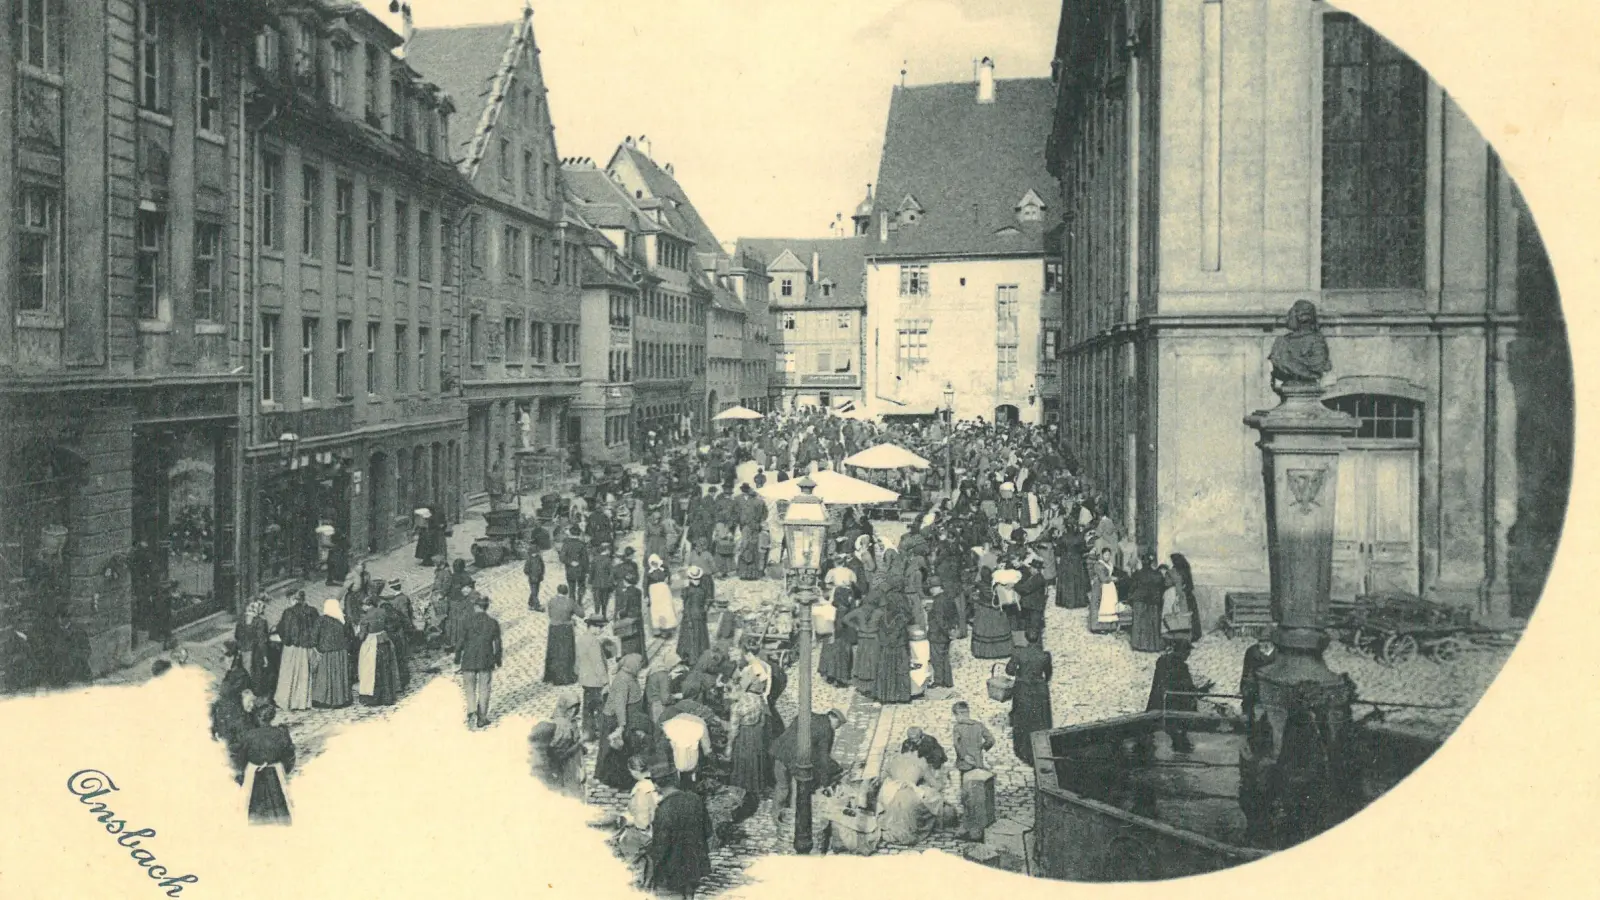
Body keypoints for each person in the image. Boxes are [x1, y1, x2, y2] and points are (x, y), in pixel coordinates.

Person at [769, 709, 846, 824]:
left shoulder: (807, 715)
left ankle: (776, 816)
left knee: (782, 786)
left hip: (780, 753)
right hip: (797, 761)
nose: (837, 728)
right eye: (838, 725)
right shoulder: (827, 730)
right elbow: (823, 758)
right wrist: (826, 782)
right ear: (834, 720)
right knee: (798, 789)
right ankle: (795, 818)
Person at [648, 773, 714, 900]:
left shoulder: (664, 809)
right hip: (695, 862)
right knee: (690, 894)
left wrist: (653, 865)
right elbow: (708, 830)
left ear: (657, 786)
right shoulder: (695, 799)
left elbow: (661, 845)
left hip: (672, 868)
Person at [595, 653, 651, 792]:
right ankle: (613, 779)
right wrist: (621, 726)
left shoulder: (629, 675)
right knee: (615, 751)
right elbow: (619, 705)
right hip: (616, 720)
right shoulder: (622, 680)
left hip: (626, 718)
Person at [1146, 641, 1210, 753]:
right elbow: (1188, 689)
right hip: (1174, 705)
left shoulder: (1162, 661)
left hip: (1157, 702)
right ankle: (1181, 748)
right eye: (1187, 652)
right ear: (1182, 652)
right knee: (1178, 731)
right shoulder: (1182, 666)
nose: (1188, 655)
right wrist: (1203, 690)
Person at [237, 703, 295, 826]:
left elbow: (240, 757)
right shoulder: (281, 733)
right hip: (277, 773)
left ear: (257, 717)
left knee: (251, 805)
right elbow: (289, 756)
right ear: (272, 717)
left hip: (253, 773)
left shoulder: (249, 735)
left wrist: (244, 772)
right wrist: (283, 769)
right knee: (280, 804)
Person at [530, 690, 587, 799]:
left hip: (576, 764)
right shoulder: (561, 727)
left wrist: (581, 747)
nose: (574, 712)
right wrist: (580, 744)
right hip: (567, 768)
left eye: (577, 708)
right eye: (571, 709)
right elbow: (560, 755)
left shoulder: (571, 723)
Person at [457, 593, 503, 728]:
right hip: (486, 660)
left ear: (476, 606)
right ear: (486, 607)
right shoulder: (493, 623)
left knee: (469, 688)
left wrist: (457, 657)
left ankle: (472, 712)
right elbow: (498, 643)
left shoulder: (467, 621)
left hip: (469, 659)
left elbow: (460, 641)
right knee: (485, 689)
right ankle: (482, 717)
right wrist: (498, 659)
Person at [273, 591, 318, 711]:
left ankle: (288, 701)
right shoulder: (312, 611)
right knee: (304, 674)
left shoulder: (289, 612)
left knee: (289, 673)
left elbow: (285, 631)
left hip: (292, 648)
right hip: (306, 647)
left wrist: (281, 634)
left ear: (293, 599)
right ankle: (303, 702)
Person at [575, 615, 617, 741]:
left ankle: (588, 732)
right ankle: (604, 732)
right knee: (600, 708)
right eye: (599, 627)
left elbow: (577, 662)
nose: (601, 630)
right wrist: (605, 682)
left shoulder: (581, 639)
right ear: (592, 626)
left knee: (588, 708)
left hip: (586, 680)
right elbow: (598, 663)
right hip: (596, 682)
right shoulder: (594, 642)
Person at [309, 598, 353, 709]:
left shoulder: (321, 620)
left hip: (327, 653)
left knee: (325, 677)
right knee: (339, 676)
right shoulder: (343, 619)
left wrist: (315, 649)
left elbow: (314, 637)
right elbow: (350, 636)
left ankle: (325, 700)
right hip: (341, 653)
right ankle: (341, 699)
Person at [356, 597, 400, 707]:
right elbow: (390, 624)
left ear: (366, 605)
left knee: (371, 671)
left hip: (371, 644)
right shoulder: (383, 611)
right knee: (386, 670)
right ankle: (388, 697)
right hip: (384, 641)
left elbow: (362, 636)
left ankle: (374, 699)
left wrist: (357, 634)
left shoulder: (366, 617)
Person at [660, 703, 714, 789]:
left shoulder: (675, 719)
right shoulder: (701, 722)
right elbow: (707, 749)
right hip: (692, 763)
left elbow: (664, 742)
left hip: (674, 760)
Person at [874, 596, 914, 704]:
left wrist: (885, 642)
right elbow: (899, 633)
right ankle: (902, 697)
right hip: (899, 648)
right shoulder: (901, 617)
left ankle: (887, 696)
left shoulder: (883, 617)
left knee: (886, 672)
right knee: (901, 672)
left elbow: (880, 632)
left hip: (886, 648)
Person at [1125, 552, 1167, 653]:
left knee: (1139, 622)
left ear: (1142, 562)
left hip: (1139, 601)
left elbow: (1132, 587)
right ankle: (1153, 645)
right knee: (1153, 623)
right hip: (1153, 602)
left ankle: (1138, 644)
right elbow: (1162, 587)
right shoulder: (1157, 574)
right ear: (1151, 562)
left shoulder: (1137, 574)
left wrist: (1130, 598)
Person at [235, 598, 275, 699]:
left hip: (243, 649)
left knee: (245, 671)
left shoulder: (241, 619)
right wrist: (265, 657)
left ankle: (244, 692)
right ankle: (254, 694)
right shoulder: (260, 621)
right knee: (255, 673)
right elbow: (262, 641)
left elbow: (237, 635)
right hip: (255, 651)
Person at [970, 572, 1014, 660]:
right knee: (999, 630)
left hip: (984, 611)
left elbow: (974, 593)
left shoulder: (980, 585)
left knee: (984, 630)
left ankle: (983, 652)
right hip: (997, 611)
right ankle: (1003, 651)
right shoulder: (996, 584)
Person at [543, 584, 579, 686]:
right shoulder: (570, 602)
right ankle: (566, 676)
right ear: (567, 592)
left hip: (554, 628)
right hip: (566, 629)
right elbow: (581, 613)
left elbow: (550, 615)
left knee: (554, 652)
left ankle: (552, 676)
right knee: (566, 652)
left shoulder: (551, 601)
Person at [677, 566, 712, 666]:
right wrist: (705, 607)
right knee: (700, 636)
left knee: (689, 636)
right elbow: (707, 600)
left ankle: (689, 657)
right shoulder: (702, 589)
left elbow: (686, 604)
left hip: (690, 615)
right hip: (700, 615)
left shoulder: (687, 590)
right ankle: (700, 655)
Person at [926, 584, 958, 690]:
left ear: (939, 588)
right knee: (945, 658)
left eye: (932, 588)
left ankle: (938, 681)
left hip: (937, 634)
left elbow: (940, 620)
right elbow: (954, 614)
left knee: (937, 659)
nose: (931, 591)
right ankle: (948, 681)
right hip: (945, 634)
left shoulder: (938, 601)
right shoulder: (948, 598)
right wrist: (951, 630)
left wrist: (946, 631)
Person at [1239, 639, 1278, 724]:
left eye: (1267, 641)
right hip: (1255, 684)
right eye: (1261, 642)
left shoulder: (1279, 653)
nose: (1264, 645)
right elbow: (1247, 672)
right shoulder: (1252, 651)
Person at [1055, 526, 1090, 609]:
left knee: (1066, 580)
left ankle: (1064, 601)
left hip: (1065, 560)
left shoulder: (1063, 537)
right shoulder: (1080, 537)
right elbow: (1083, 549)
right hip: (1076, 560)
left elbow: (1057, 551)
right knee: (1077, 579)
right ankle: (1078, 601)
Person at [1089, 547, 1122, 634]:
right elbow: (1103, 578)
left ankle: (1108, 626)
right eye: (1105, 555)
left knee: (1108, 606)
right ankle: (1096, 627)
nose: (1107, 556)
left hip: (1108, 587)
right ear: (1102, 555)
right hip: (1099, 587)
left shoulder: (1110, 564)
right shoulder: (1099, 565)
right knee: (1099, 605)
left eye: (1108, 555)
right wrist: (1112, 579)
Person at [645, 554, 678, 637]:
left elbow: (669, 577)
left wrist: (668, 580)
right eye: (652, 563)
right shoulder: (648, 572)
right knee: (657, 611)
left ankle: (666, 629)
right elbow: (645, 584)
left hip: (663, 592)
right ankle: (658, 629)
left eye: (655, 562)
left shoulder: (664, 569)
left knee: (665, 609)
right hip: (654, 593)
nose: (654, 564)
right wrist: (646, 595)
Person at [560, 526, 589, 606]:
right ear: (579, 534)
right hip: (581, 570)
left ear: (570, 533)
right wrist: (587, 571)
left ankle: (572, 604)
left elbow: (562, 557)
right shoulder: (582, 545)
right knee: (581, 586)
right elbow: (585, 560)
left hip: (570, 570)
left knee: (571, 588)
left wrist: (570, 562)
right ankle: (579, 602)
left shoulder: (566, 544)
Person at [589, 544, 616, 619]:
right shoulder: (608, 560)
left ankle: (597, 614)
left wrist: (590, 581)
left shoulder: (595, 559)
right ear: (606, 551)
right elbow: (611, 573)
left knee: (597, 600)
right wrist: (611, 583)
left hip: (596, 583)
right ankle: (604, 615)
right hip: (605, 584)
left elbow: (591, 571)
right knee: (604, 601)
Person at [524, 547, 546, 612]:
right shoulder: (529, 559)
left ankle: (530, 603)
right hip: (532, 578)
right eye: (533, 553)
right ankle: (537, 606)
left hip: (538, 577)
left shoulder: (539, 558)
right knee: (534, 592)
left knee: (536, 591)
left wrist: (541, 574)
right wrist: (530, 575)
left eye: (535, 553)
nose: (534, 554)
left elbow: (542, 566)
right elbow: (526, 570)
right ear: (530, 553)